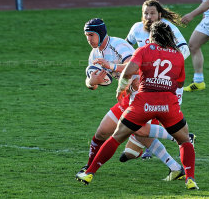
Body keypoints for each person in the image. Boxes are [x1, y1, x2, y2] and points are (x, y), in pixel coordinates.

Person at [76, 22, 199, 190]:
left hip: (141, 100)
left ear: (151, 37)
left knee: (120, 137)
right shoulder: (178, 55)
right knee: (182, 140)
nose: (89, 39)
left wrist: (120, 88)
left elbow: (129, 71)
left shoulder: (137, 49)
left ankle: (89, 172)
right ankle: (189, 178)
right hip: (167, 104)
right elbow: (179, 83)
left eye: (91, 35)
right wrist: (92, 81)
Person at [125, 0, 192, 160]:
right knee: (148, 113)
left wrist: (170, 65)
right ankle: (152, 147)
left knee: (167, 117)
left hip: (169, 82)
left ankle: (185, 141)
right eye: (145, 13)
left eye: (152, 13)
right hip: (146, 82)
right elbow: (126, 49)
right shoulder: (136, 29)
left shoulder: (168, 29)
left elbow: (185, 49)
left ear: (159, 14)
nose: (148, 16)